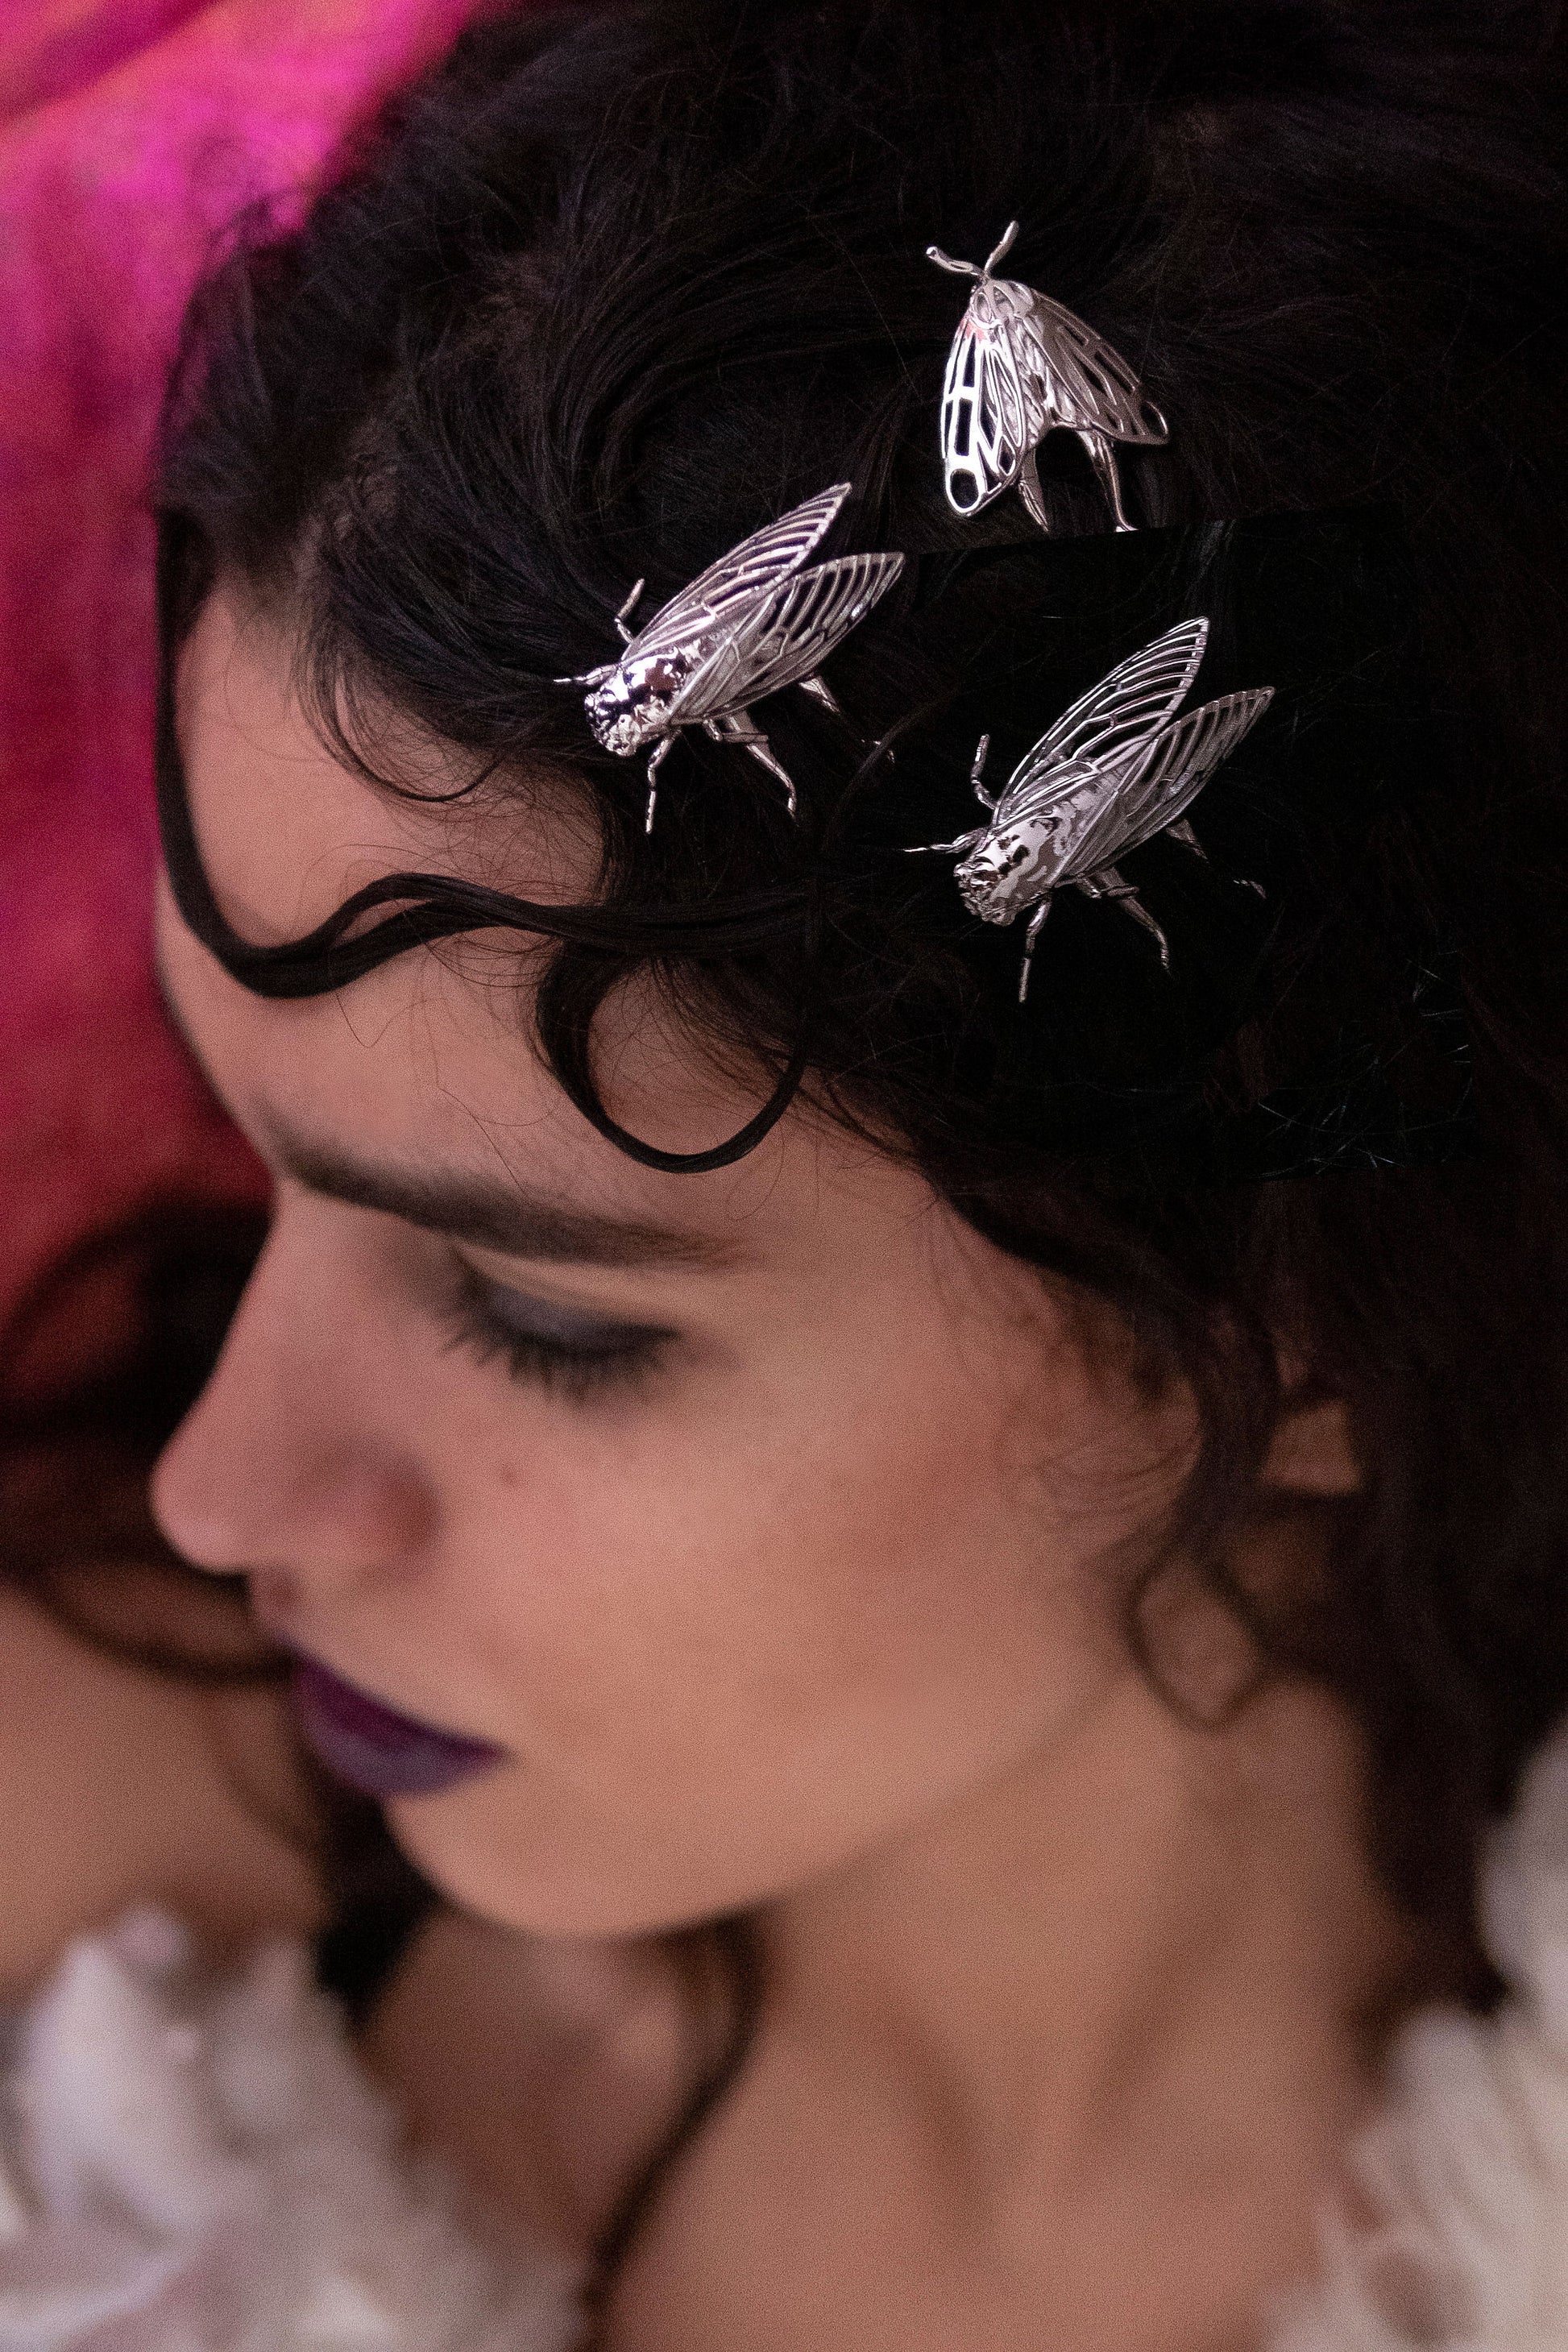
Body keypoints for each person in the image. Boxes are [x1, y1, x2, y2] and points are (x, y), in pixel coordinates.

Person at [9, 0, 1568, 2346]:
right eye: (260, 1160)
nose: (223, 1493)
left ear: (1324, 1312)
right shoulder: (85, 1865)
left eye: (551, 1319)